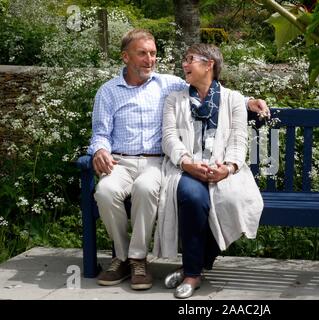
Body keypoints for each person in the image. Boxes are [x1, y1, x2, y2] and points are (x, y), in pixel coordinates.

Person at [87, 28, 269, 291]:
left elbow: (215, 90)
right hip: (121, 161)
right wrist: (99, 150)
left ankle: (140, 259)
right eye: (142, 54)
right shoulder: (108, 92)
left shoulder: (167, 83)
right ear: (125, 57)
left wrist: (248, 102)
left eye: (153, 54)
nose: (150, 60)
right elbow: (101, 133)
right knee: (104, 191)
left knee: (146, 188)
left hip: (154, 163)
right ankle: (122, 257)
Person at [153, 43, 264, 299]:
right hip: (186, 169)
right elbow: (169, 137)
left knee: (228, 199)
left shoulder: (234, 100)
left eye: (190, 59)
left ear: (209, 64)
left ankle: (194, 266)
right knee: (193, 198)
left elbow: (239, 140)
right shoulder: (175, 99)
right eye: (184, 60)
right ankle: (193, 274)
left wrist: (229, 167)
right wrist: (187, 162)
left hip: (222, 169)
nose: (184, 64)